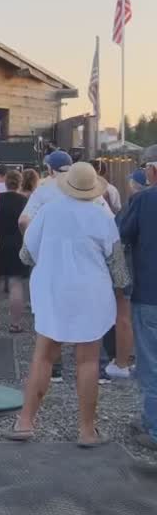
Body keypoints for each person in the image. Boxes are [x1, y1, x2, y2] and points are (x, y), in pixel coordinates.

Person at [7, 162, 129, 446]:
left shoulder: (49, 211)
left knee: (44, 356)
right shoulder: (103, 217)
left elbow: (26, 255)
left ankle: (25, 422)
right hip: (91, 293)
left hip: (52, 291)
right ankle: (87, 431)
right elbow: (119, 270)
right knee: (87, 360)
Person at [118, 144, 157, 449]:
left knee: (151, 363)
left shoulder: (144, 200)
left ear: (151, 171)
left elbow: (120, 235)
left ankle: (154, 427)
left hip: (150, 293)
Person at [0, 169, 28, 333]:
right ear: (19, 183)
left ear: (6, 183)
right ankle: (15, 323)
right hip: (18, 244)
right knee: (16, 284)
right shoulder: (25, 201)